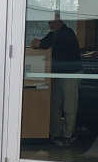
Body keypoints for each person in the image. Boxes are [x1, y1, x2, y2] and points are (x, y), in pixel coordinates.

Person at [31, 16, 81, 145]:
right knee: (55, 105)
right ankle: (56, 133)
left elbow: (43, 43)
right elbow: (39, 44)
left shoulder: (67, 33)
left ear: (59, 21)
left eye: (51, 22)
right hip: (56, 74)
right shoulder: (54, 34)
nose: (49, 24)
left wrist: (40, 43)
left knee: (69, 105)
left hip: (70, 74)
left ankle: (68, 135)